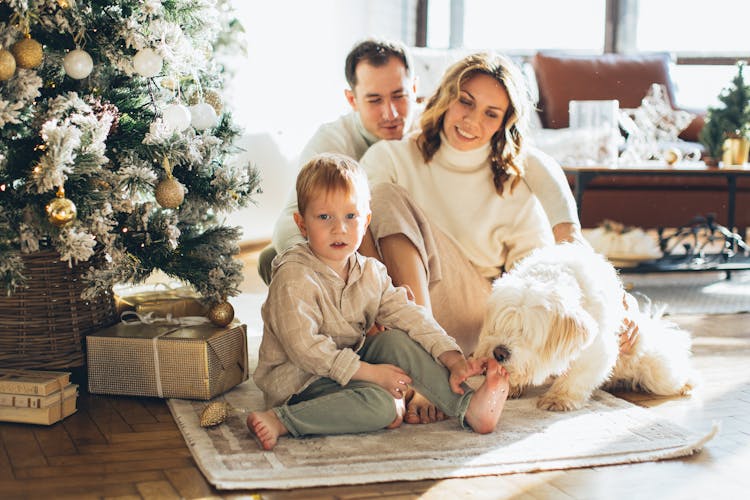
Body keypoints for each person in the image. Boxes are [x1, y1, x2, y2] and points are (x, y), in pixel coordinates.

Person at [357, 52, 638, 422]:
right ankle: (411, 360)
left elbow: (538, 275)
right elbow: (354, 223)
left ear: (505, 122)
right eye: (466, 102)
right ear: (445, 98)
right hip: (398, 303)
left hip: (476, 317)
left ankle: (425, 367)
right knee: (376, 199)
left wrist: (613, 303)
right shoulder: (392, 157)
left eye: (491, 113)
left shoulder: (513, 180)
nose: (473, 121)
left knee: (387, 199)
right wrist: (370, 295)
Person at [258, 38, 583, 285]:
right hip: (355, 246)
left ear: (414, 90)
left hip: (426, 264)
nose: (391, 113)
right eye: (374, 100)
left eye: (399, 96)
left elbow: (529, 158)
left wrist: (570, 237)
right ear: (352, 100)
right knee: (276, 258)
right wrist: (337, 276)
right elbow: (292, 220)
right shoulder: (333, 144)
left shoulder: (437, 125)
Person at [248, 153, 510, 450]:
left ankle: (467, 406)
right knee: (383, 407)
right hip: (301, 381)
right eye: (324, 217)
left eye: (351, 216)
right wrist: (371, 374)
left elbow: (411, 315)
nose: (340, 229)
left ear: (366, 221)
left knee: (397, 340)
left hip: (350, 363)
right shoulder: (294, 275)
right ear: (302, 224)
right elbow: (307, 350)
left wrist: (453, 358)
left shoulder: (370, 272)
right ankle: (283, 419)